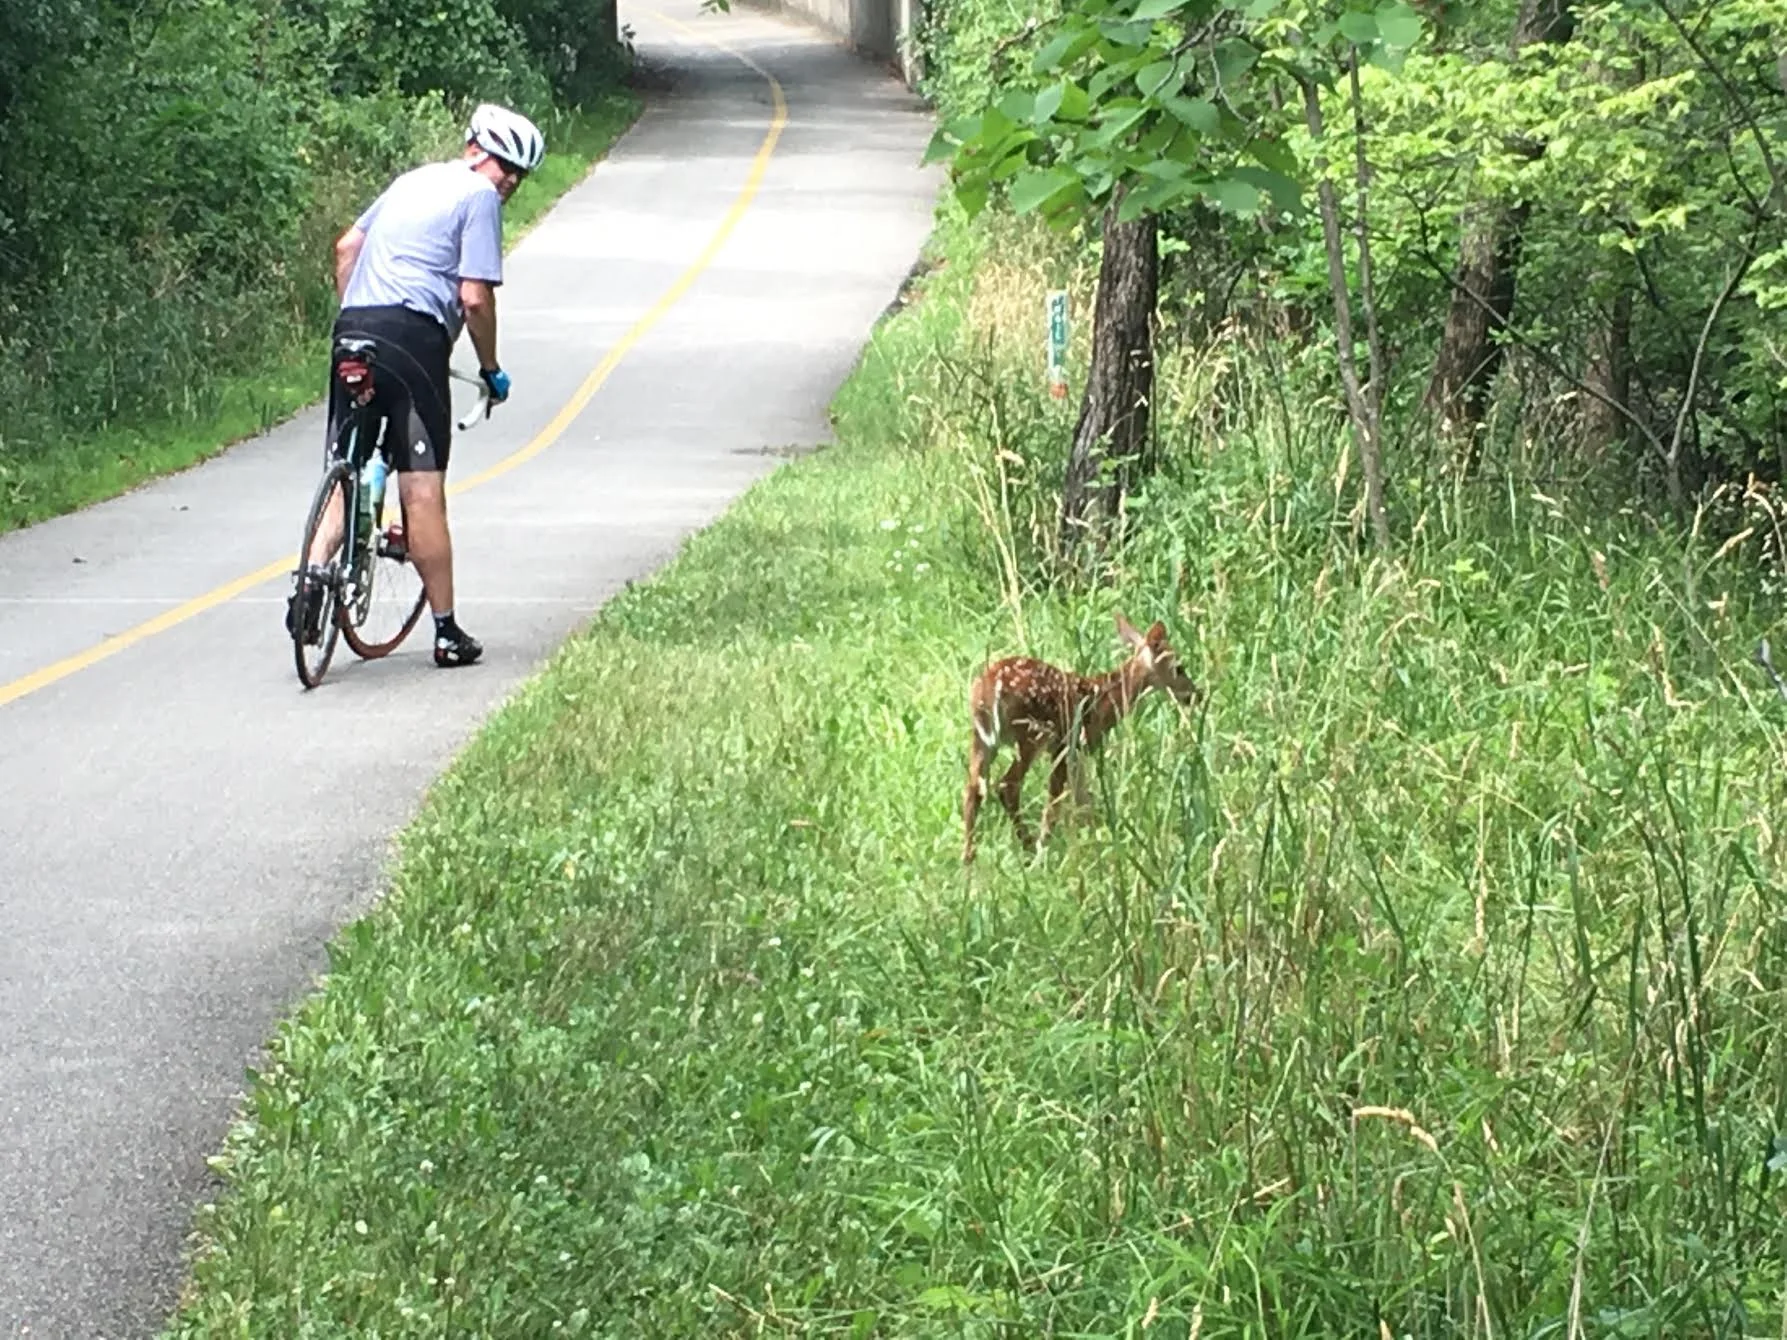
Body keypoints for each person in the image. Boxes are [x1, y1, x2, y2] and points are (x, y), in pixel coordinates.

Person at [286, 102, 546, 668]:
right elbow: (474, 297)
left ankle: (308, 582)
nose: (510, 183)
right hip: (415, 342)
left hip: (354, 331)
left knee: (342, 468)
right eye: (506, 167)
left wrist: (356, 318)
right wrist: (491, 368)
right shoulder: (477, 199)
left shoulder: (410, 181)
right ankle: (447, 633)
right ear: (477, 152)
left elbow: (346, 249)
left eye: (519, 176)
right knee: (422, 491)